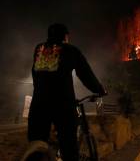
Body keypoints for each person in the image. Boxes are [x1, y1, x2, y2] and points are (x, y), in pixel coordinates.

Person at [28, 23, 106, 161]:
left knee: (35, 146)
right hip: (62, 105)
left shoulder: (39, 48)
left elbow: (35, 72)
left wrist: (40, 89)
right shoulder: (70, 50)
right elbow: (86, 75)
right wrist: (99, 90)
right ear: (65, 36)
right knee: (69, 147)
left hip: (38, 104)